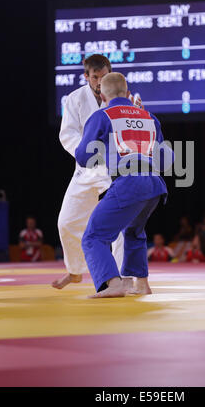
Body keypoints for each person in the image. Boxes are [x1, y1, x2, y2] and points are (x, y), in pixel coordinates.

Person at [75, 72, 174, 298]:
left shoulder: (102, 116)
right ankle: (141, 284)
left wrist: (102, 150)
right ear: (128, 94)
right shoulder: (149, 117)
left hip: (129, 183)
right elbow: (167, 161)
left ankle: (114, 283)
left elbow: (82, 157)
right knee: (133, 231)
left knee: (94, 237)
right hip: (155, 186)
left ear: (101, 95)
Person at [53, 54, 137, 290]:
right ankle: (75, 271)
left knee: (122, 223)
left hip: (116, 169)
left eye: (104, 76)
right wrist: (89, 152)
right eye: (95, 77)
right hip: (86, 167)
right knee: (66, 222)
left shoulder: (125, 98)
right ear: (86, 76)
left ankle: (124, 277)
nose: (100, 81)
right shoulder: (74, 99)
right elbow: (67, 134)